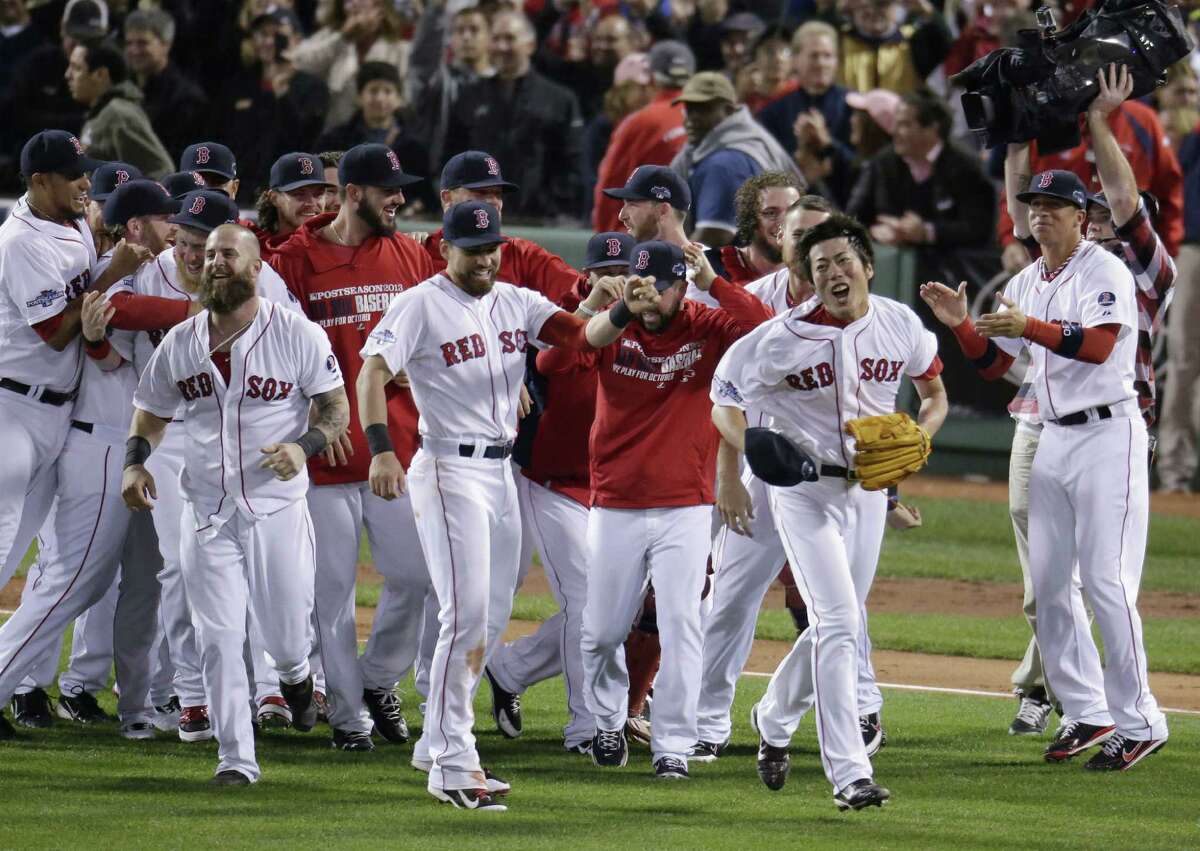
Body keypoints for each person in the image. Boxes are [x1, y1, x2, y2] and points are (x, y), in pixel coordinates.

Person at [357, 200, 662, 810]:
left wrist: (625, 307)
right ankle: (450, 761)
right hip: (446, 468)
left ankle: (437, 742)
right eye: (472, 249)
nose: (485, 258)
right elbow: (371, 374)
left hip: (500, 474)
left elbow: (581, 336)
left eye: (492, 247)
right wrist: (381, 450)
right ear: (446, 248)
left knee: (491, 620)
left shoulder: (515, 300)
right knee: (465, 615)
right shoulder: (420, 304)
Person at [945, 64, 1177, 738]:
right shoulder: (1037, 277)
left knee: (1105, 583)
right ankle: (1084, 709)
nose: (1107, 217)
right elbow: (1003, 360)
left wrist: (1101, 119)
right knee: (1050, 588)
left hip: (1112, 430)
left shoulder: (1135, 266)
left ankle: (1138, 719)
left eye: (1086, 210)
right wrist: (964, 325)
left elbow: (1100, 343)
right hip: (1048, 430)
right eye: (1040, 209)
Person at [712, 212, 947, 809]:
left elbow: (935, 391)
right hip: (804, 492)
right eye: (821, 267)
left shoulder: (900, 324)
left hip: (867, 492)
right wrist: (746, 444)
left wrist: (923, 435)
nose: (835, 273)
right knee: (842, 622)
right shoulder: (779, 338)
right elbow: (724, 398)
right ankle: (850, 773)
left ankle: (773, 716)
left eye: (844, 261)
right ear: (809, 279)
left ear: (868, 266)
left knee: (832, 624)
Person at [123, 224, 349, 785]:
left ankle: (296, 678)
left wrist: (304, 446)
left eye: (228, 253)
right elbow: (150, 413)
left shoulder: (296, 334)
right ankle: (236, 759)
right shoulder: (181, 341)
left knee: (285, 636)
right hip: (207, 511)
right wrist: (134, 462)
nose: (213, 261)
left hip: (276, 509)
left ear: (255, 268)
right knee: (218, 634)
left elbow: (334, 409)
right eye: (207, 254)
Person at [538, 240, 765, 780]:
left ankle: (673, 746)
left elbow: (761, 330)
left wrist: (714, 281)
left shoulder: (706, 326)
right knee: (600, 631)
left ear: (680, 286)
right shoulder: (618, 327)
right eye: (640, 284)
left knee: (683, 625)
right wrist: (606, 306)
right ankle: (609, 721)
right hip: (615, 502)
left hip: (686, 505)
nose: (650, 296)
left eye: (660, 286)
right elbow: (554, 359)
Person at [106, 188, 301, 741]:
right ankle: (193, 695)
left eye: (204, 245)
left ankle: (267, 688)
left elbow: (298, 350)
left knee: (262, 569)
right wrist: (184, 311)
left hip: (248, 441)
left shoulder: (267, 282)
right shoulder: (151, 270)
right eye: (185, 242)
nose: (192, 255)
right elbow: (110, 311)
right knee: (179, 571)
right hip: (169, 436)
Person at [269, 143, 438, 751]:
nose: (400, 198)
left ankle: (375, 679)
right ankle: (348, 719)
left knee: (417, 575)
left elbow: (435, 337)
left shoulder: (410, 253)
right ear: (354, 193)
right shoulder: (293, 259)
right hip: (326, 457)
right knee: (331, 594)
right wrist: (316, 415)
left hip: (396, 446)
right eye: (389, 189)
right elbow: (273, 348)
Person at [0, 180, 174, 740]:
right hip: (95, 445)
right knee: (69, 582)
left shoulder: (108, 261)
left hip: (90, 438)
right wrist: (206, 308)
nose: (174, 231)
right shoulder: (113, 275)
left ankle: (140, 706)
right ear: (136, 227)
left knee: (91, 583)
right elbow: (119, 308)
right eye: (163, 220)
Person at [483, 231, 634, 754]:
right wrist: (592, 308)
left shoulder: (650, 323)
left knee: (613, 607)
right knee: (590, 602)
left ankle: (509, 667)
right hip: (549, 482)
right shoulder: (563, 319)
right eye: (602, 274)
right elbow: (549, 362)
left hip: (613, 492)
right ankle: (588, 728)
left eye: (624, 275)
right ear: (585, 275)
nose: (615, 285)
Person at [445, 10, 585, 223]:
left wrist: (550, 205)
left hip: (541, 220)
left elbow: (572, 164)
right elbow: (451, 156)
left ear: (530, 45)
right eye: (496, 39)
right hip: (479, 220)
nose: (502, 47)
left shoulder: (560, 99)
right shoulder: (469, 97)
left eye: (510, 39)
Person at [418, 151, 583, 304]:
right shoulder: (418, 253)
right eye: (481, 192)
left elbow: (581, 291)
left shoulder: (521, 255)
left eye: (498, 194)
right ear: (447, 198)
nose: (493, 202)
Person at [848, 90, 996, 251]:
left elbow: (979, 228)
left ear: (932, 128)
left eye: (904, 124)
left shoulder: (967, 167)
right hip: (892, 261)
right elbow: (854, 217)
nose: (894, 132)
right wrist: (872, 232)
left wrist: (927, 232)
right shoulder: (883, 162)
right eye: (896, 124)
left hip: (951, 266)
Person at [669, 71, 802, 247]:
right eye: (690, 110)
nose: (691, 119)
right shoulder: (751, 139)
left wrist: (677, 269)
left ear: (729, 110)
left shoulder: (725, 163)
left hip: (743, 269)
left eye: (703, 110)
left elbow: (713, 235)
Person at [218, 7, 331, 205]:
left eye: (278, 35)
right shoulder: (240, 84)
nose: (269, 41)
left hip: (291, 190)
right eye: (263, 34)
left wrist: (283, 95)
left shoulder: (312, 87)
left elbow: (306, 140)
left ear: (296, 39)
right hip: (242, 189)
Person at [592, 40, 694, 233]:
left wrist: (607, 248)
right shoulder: (715, 119)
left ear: (652, 78)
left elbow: (609, 188)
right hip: (701, 239)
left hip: (646, 241)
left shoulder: (640, 122)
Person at [314, 61, 432, 211]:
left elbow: (426, 197)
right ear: (359, 97)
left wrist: (414, 205)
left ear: (399, 99)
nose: (380, 98)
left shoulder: (414, 148)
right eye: (373, 91)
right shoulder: (334, 140)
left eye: (388, 91)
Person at [289, 0, 411, 133]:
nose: (353, 4)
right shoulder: (330, 36)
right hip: (336, 134)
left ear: (379, 5)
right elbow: (299, 62)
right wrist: (343, 38)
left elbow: (406, 100)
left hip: (383, 137)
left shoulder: (400, 50)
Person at [408, 3, 494, 178]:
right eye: (459, 31)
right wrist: (435, 11)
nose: (467, 37)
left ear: (490, 37)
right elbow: (422, 62)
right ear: (450, 39)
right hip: (445, 183)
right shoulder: (439, 83)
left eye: (474, 30)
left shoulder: (504, 83)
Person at [67, 41, 173, 178]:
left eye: (76, 68)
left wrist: (122, 198)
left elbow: (162, 170)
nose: (68, 75)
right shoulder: (102, 112)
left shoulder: (119, 114)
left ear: (100, 74)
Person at [755, 21, 851, 163]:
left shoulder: (853, 106)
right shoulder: (773, 113)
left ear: (837, 61)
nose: (821, 63)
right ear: (795, 60)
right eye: (814, 56)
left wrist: (827, 143)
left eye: (827, 56)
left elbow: (864, 166)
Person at [123, 8, 208, 161]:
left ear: (166, 44)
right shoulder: (123, 87)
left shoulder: (186, 99)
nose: (134, 50)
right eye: (129, 43)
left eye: (142, 43)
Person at [704, 171, 802, 284]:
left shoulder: (815, 278)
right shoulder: (710, 269)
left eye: (792, 212)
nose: (785, 222)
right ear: (750, 219)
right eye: (770, 213)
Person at [837, 0, 951, 95]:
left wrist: (927, 11)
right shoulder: (838, 40)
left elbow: (945, 45)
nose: (872, 11)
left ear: (896, 7)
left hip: (902, 118)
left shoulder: (911, 39)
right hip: (851, 119)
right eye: (864, 6)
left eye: (880, 4)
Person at [251, 152, 335, 258]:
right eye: (299, 194)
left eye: (318, 194)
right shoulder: (253, 250)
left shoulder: (339, 248)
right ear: (274, 198)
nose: (311, 203)